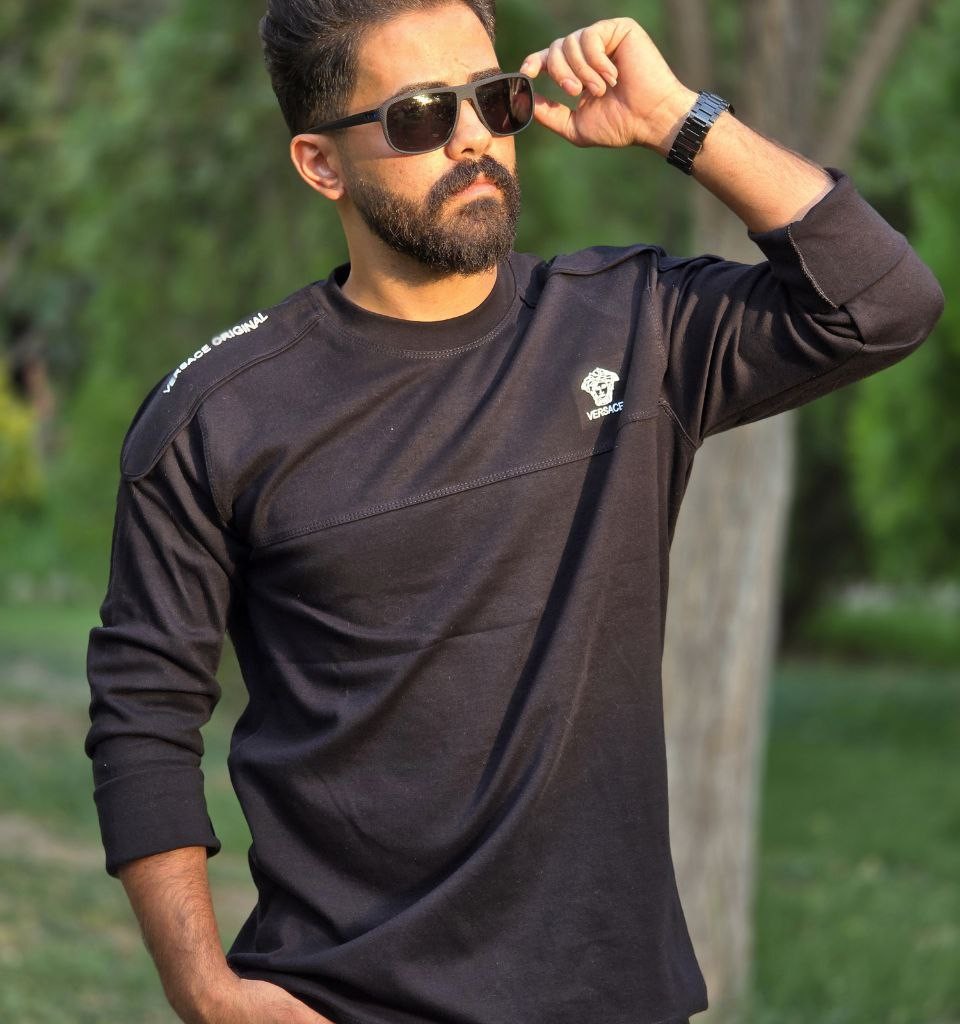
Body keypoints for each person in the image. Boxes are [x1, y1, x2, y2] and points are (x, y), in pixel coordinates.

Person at [84, 2, 944, 1023]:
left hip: (617, 997)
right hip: (347, 1000)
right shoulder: (218, 414)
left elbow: (883, 303)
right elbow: (142, 710)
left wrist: (677, 119)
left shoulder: (632, 327)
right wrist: (204, 990)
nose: (472, 138)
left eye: (493, 100)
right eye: (419, 115)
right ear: (320, 164)